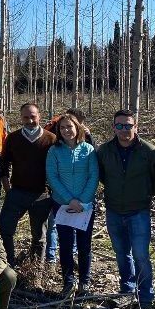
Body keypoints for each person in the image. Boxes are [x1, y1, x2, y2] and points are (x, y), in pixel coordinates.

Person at [96, 109, 155, 309]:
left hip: (139, 211)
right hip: (114, 209)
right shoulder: (104, 151)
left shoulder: (149, 151)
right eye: (120, 125)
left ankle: (145, 296)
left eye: (128, 125)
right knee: (121, 253)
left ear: (136, 127)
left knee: (141, 255)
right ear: (114, 128)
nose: (124, 130)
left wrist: (144, 193)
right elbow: (101, 175)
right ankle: (127, 289)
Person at [0, 102, 57, 270]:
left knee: (39, 236)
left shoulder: (51, 139)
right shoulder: (13, 138)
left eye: (33, 116)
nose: (30, 120)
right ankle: (9, 265)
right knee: (5, 229)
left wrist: (51, 191)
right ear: (21, 117)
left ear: (39, 116)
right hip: (17, 192)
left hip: (41, 195)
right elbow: (4, 165)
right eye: (26, 117)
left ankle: (35, 272)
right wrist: (8, 188)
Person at [46, 114, 99, 295]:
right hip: (62, 205)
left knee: (85, 245)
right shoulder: (54, 151)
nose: (66, 130)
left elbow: (93, 176)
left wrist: (83, 200)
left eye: (70, 127)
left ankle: (85, 281)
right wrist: (70, 200)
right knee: (66, 245)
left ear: (77, 128)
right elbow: (52, 177)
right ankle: (68, 281)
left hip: (85, 206)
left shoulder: (89, 149)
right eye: (62, 128)